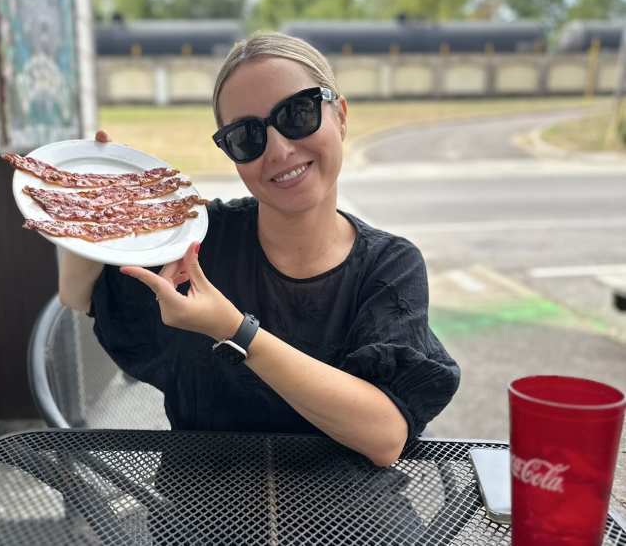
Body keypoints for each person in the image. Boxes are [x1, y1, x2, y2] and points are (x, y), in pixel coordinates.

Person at [59, 33, 460, 468]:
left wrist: (234, 331)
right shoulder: (202, 240)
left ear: (340, 116)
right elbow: (78, 294)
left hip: (349, 512)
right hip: (205, 509)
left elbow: (383, 437)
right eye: (246, 136)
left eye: (298, 113)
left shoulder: (389, 266)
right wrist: (92, 217)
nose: (279, 150)